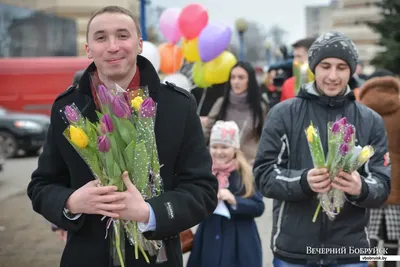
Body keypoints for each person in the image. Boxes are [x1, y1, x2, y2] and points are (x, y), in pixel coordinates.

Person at [27, 6, 218, 267]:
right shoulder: (67, 108)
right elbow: (41, 186)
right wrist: (71, 202)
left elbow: (203, 191)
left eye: (122, 35)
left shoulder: (178, 106)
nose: (113, 46)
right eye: (101, 37)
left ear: (139, 44)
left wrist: (149, 213)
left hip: (157, 260)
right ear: (88, 49)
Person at [253, 31, 391, 267]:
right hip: (294, 252)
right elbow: (263, 176)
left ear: (352, 70)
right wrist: (303, 181)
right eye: (325, 66)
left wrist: (361, 188)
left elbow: (382, 184)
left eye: (341, 67)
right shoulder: (284, 114)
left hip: (350, 253)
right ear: (313, 66)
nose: (333, 76)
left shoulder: (371, 121)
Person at [187, 120, 264, 267]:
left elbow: (259, 206)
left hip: (240, 241)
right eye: (215, 146)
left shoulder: (245, 174)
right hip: (208, 237)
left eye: (225, 147)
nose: (219, 151)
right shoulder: (206, 172)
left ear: (235, 148)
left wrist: (235, 201)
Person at [358, 69, 400, 267]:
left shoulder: (358, 111)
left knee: (368, 234)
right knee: (392, 237)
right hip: (396, 183)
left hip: (366, 182)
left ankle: (370, 261)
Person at [203, 62, 269, 165]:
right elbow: (206, 133)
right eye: (233, 77)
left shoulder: (260, 107)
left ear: (250, 80)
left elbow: (266, 140)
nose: (236, 82)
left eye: (241, 77)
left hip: (249, 166)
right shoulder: (221, 103)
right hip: (220, 166)